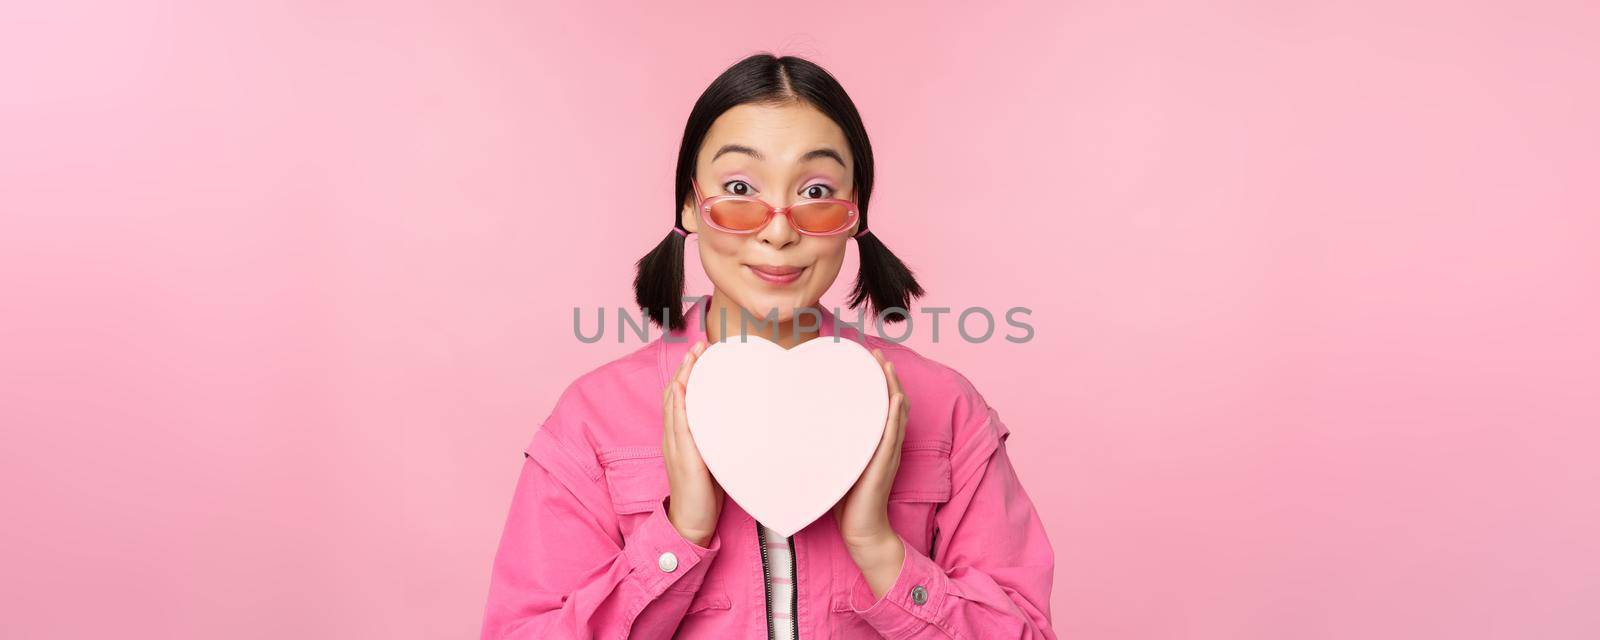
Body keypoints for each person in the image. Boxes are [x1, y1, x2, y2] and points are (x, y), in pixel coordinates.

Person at [480, 52, 1057, 639]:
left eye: (815, 190)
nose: (779, 230)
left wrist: (878, 548)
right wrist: (679, 535)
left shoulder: (946, 409)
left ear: (856, 212)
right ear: (689, 203)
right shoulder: (592, 421)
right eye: (738, 188)